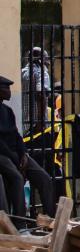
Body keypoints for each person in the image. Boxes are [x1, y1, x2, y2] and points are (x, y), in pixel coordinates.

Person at [0, 77, 56, 223]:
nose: (9, 91)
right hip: (3, 155)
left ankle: (51, 220)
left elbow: (16, 136)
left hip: (16, 154)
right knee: (18, 179)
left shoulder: (7, 111)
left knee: (44, 178)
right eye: (5, 88)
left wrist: (23, 154)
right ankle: (20, 223)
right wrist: (15, 158)